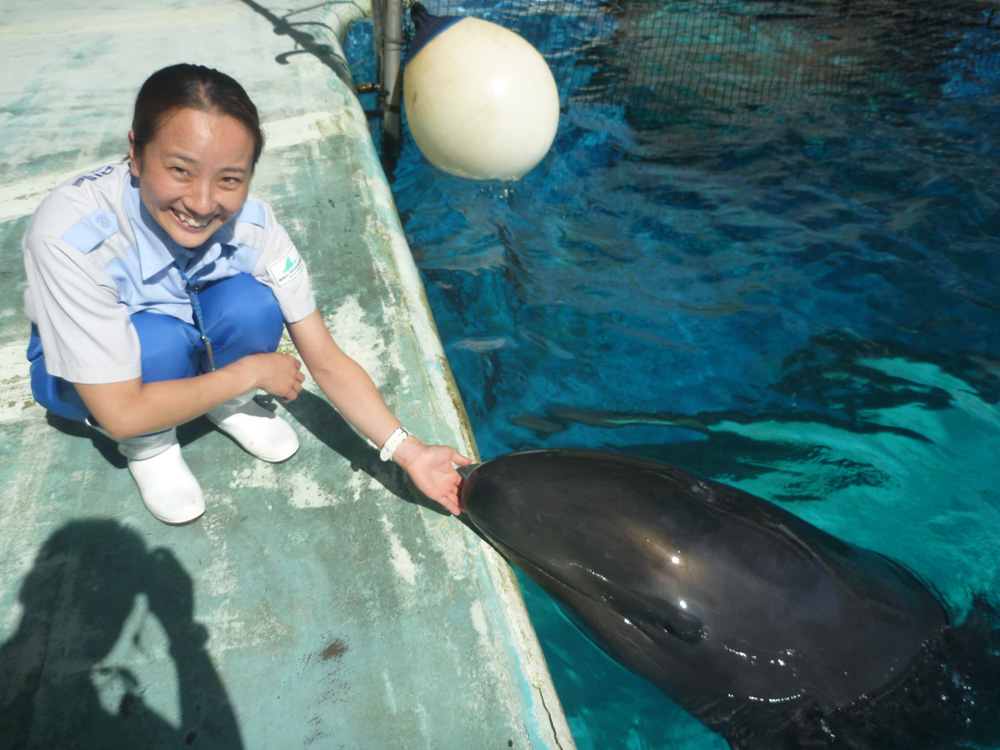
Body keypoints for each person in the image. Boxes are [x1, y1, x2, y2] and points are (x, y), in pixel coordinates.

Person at [22, 63, 471, 524]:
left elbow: (325, 358)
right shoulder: (68, 237)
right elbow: (119, 411)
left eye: (229, 179)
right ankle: (151, 446)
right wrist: (251, 372)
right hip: (90, 380)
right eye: (180, 170)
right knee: (156, 345)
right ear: (135, 153)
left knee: (252, 305)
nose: (200, 203)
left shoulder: (254, 227)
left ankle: (222, 404)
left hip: (190, 329)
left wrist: (409, 450)